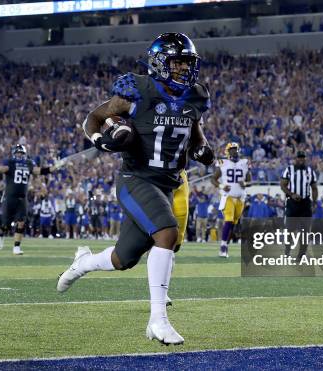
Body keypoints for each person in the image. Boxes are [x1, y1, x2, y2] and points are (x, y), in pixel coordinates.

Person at [57, 33, 214, 345]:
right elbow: (94, 117)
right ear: (159, 63)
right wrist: (101, 139)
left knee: (123, 258)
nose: (184, 70)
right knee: (167, 233)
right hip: (137, 180)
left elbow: (195, 134)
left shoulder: (195, 96)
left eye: (187, 63)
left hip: (167, 184)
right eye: (178, 63)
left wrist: (203, 151)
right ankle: (158, 319)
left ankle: (82, 264)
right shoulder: (137, 90)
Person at [0, 144, 65, 255]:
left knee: (21, 222)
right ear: (13, 154)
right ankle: (1, 234)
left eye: (21, 153)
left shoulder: (29, 163)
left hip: (22, 197)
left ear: (24, 154)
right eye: (17, 153)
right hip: (10, 197)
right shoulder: (10, 162)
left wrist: (56, 166)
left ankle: (16, 247)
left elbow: (41, 171)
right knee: (5, 224)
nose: (19, 155)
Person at [211, 143, 251, 258]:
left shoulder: (245, 163)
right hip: (227, 196)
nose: (234, 151)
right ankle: (223, 247)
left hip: (240, 198)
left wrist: (246, 184)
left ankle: (226, 244)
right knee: (228, 220)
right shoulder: (222, 162)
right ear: (227, 151)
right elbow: (213, 179)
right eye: (232, 149)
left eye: (236, 149)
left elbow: (250, 181)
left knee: (233, 223)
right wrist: (222, 186)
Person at [280, 151, 318, 260]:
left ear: (305, 159)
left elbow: (314, 188)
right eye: (299, 158)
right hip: (292, 203)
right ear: (295, 158)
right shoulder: (289, 170)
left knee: (305, 231)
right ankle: (287, 251)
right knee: (289, 229)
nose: (301, 160)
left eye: (303, 158)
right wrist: (291, 194)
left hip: (305, 203)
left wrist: (314, 203)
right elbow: (283, 185)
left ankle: (301, 255)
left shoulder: (310, 171)